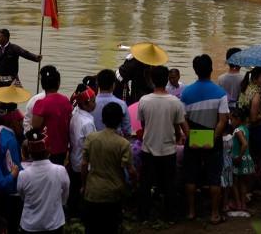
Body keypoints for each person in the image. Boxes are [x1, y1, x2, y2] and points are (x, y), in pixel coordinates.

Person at [180, 54, 230, 224]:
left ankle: (191, 212)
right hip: (212, 139)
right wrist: (213, 138)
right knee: (214, 177)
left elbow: (182, 119)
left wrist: (190, 137)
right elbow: (223, 121)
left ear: (195, 70)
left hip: (193, 138)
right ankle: (215, 214)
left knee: (191, 176)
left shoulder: (186, 92)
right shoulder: (220, 93)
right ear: (211, 69)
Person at [136, 65, 185, 223]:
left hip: (148, 148)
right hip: (168, 149)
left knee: (146, 184)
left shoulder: (144, 101)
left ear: (151, 80)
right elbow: (178, 126)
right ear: (166, 80)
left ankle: (144, 215)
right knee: (169, 184)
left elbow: (144, 125)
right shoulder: (175, 102)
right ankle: (170, 216)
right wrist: (178, 136)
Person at [81, 103, 136, 234]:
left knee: (92, 228)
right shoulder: (123, 143)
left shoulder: (91, 138)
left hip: (93, 192)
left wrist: (84, 185)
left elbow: (83, 165)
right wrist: (134, 185)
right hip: (113, 194)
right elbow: (131, 171)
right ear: (120, 120)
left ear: (103, 119)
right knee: (111, 228)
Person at [16, 130, 68, 234]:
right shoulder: (60, 170)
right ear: (48, 150)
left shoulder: (23, 175)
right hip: (54, 224)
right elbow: (65, 195)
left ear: (30, 153)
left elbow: (23, 197)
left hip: (30, 225)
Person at [29, 67, 72, 166]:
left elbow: (35, 128)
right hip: (63, 148)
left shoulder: (41, 103)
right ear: (58, 83)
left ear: (43, 85)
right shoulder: (65, 100)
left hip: (46, 150)